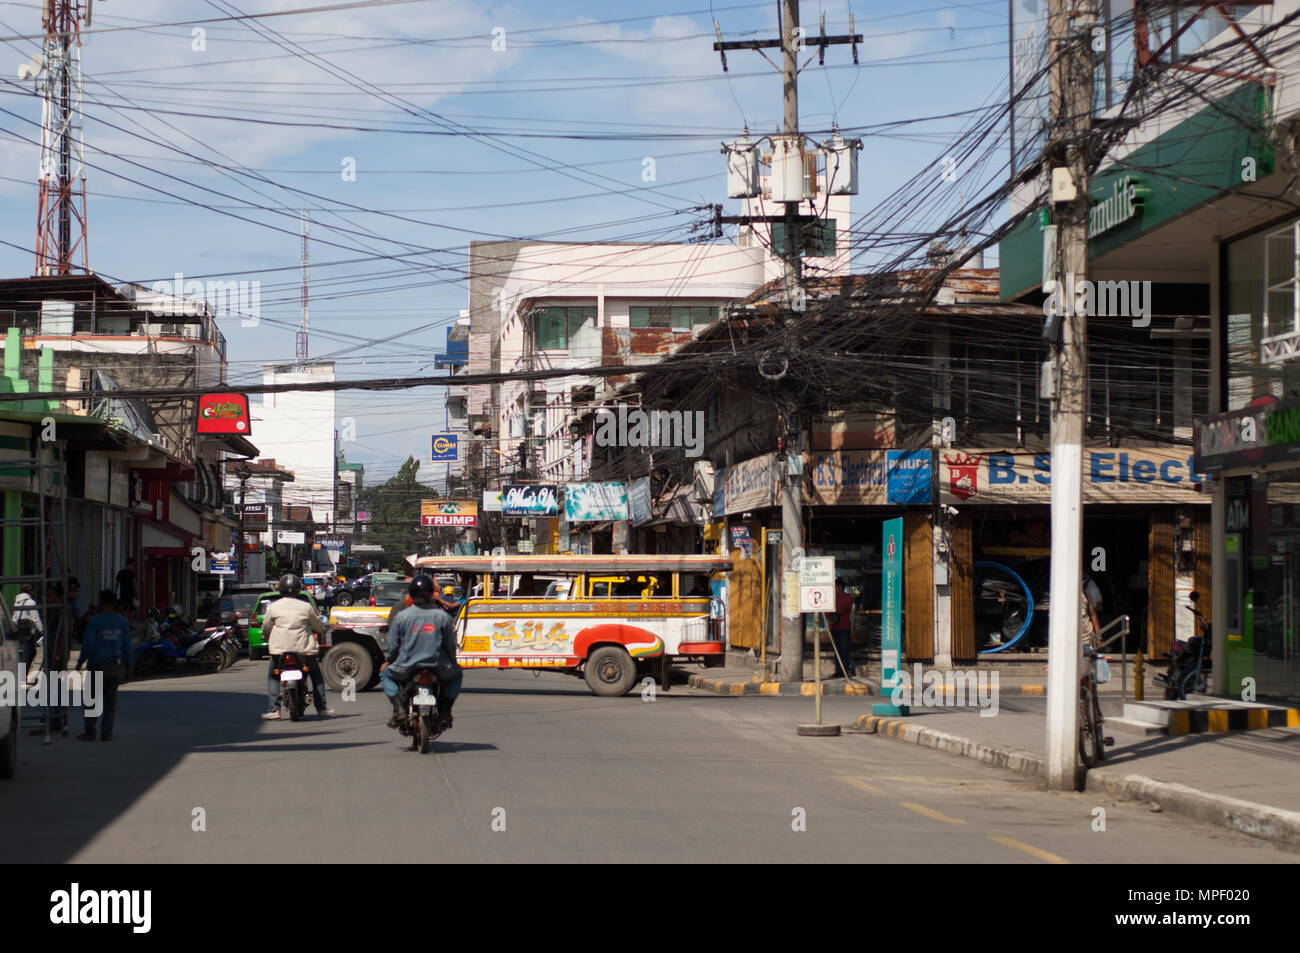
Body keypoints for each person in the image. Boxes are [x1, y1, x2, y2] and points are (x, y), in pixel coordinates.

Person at [380, 574, 461, 733]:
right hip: (438, 666)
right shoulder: (443, 617)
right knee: (457, 674)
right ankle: (445, 711)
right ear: (432, 594)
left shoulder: (401, 616)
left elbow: (393, 645)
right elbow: (450, 645)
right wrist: (452, 662)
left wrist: (389, 661)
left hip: (406, 666)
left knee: (385, 674)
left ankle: (398, 709)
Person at [260, 573, 333, 720]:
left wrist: (266, 637)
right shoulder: (305, 606)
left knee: (273, 677)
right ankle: (321, 708)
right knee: (316, 676)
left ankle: (274, 710)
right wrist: (322, 630)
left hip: (279, 649)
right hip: (304, 649)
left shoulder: (274, 607)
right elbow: (318, 626)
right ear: (298, 589)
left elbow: (266, 627)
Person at [75, 589, 133, 742]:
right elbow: (127, 645)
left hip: (97, 666)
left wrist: (80, 662)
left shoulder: (94, 621)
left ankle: (90, 731)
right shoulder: (122, 621)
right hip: (114, 667)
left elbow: (88, 645)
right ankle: (106, 733)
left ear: (101, 602)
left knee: (92, 700)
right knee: (110, 702)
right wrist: (129, 665)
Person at [13, 583, 44, 671]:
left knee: (27, 653)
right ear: (31, 591)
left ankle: (21, 676)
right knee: (27, 654)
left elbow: (15, 617)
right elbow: (35, 618)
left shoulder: (16, 602)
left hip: (20, 631)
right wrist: (42, 630)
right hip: (29, 632)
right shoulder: (31, 602)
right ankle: (22, 679)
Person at [830, 578, 854, 679]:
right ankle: (838, 670)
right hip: (834, 627)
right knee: (837, 650)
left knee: (844, 649)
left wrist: (834, 610)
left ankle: (846, 669)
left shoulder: (847, 597)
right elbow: (828, 613)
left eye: (835, 587)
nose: (834, 589)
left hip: (844, 627)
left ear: (840, 587)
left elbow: (844, 607)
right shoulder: (832, 598)